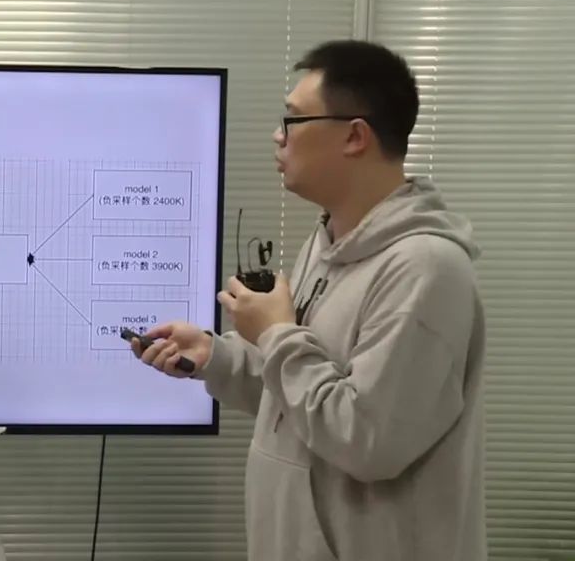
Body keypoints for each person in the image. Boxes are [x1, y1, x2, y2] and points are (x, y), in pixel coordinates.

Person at [132, 40, 486, 561]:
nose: (278, 135)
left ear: (354, 136)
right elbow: (298, 394)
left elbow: (366, 440)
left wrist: (275, 333)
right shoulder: (326, 246)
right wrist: (217, 355)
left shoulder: (426, 269)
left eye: (293, 120)